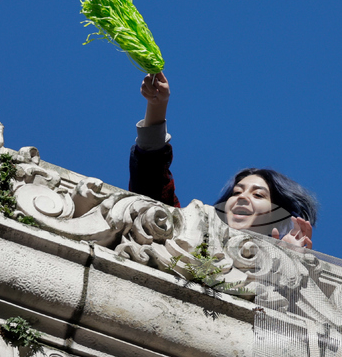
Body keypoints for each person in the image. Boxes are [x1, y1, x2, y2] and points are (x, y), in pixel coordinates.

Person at [129, 72, 317, 249]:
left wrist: (288, 258)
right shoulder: (190, 235)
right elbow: (151, 188)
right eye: (236, 193)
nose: (242, 197)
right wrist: (157, 106)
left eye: (258, 195)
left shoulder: (284, 257)